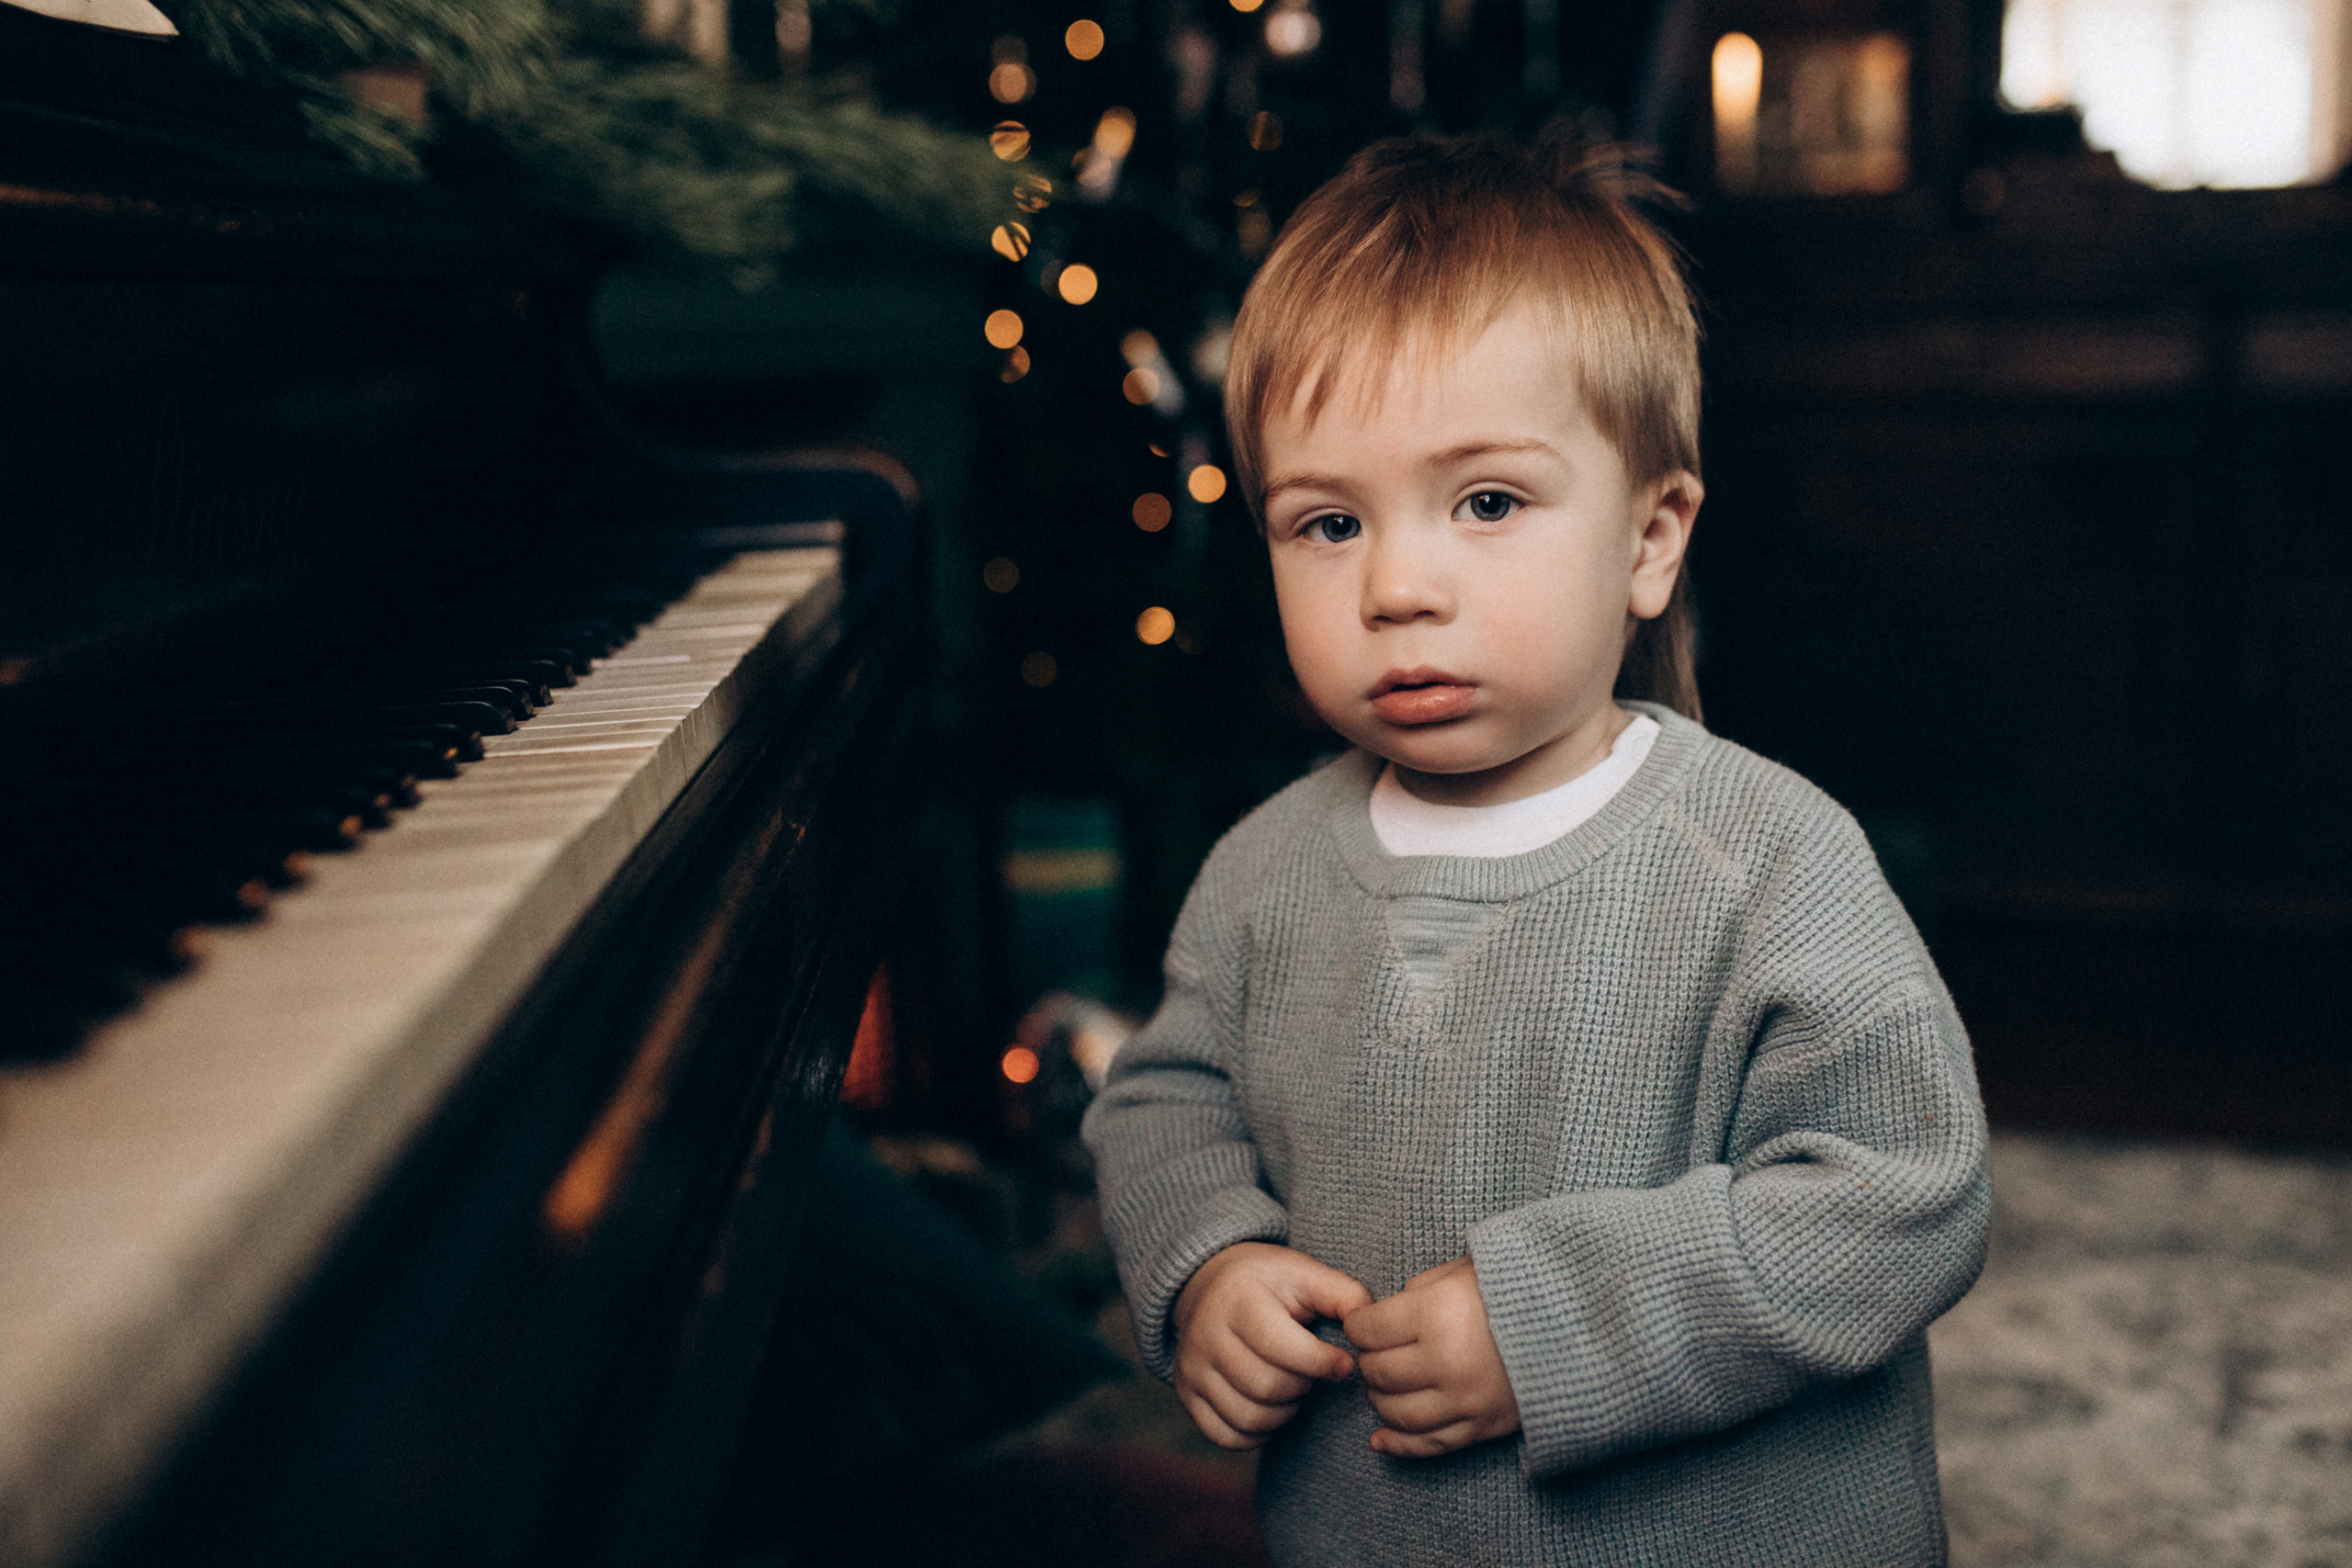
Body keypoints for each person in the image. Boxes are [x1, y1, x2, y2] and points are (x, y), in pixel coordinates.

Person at [1080, 130, 1990, 1567]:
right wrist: (1208, 1263)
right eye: (1329, 522)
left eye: (1487, 503)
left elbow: (1904, 1193)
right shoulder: (1262, 873)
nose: (1397, 586)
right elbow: (1165, 1101)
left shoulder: (1764, 862)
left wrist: (1555, 1321)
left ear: (1650, 538)